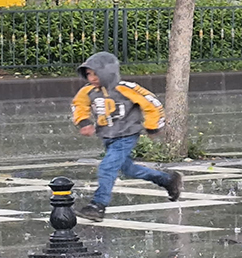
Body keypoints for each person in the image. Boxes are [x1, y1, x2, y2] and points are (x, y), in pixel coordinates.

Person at [71, 51, 182, 222]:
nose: (92, 78)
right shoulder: (88, 91)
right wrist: (84, 122)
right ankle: (167, 180)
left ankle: (98, 205)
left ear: (107, 72)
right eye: (88, 74)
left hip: (126, 135)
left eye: (96, 73)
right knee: (128, 169)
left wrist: (153, 127)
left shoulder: (126, 89)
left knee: (107, 167)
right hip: (107, 136)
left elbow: (151, 103)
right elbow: (79, 105)